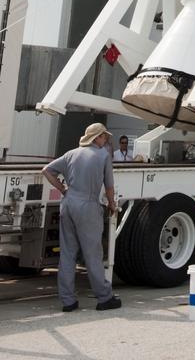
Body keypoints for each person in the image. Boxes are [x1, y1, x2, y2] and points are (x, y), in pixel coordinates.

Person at [42, 122, 122, 312]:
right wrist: (112, 205)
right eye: (104, 136)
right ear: (97, 138)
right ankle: (104, 297)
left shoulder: (71, 153)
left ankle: (68, 301)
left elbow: (46, 170)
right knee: (92, 253)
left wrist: (62, 189)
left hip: (68, 204)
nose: (106, 140)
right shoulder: (102, 155)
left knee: (68, 253)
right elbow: (109, 186)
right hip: (88, 205)